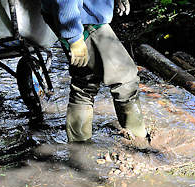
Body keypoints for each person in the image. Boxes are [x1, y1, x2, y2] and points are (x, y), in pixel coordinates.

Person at [40, 0, 150, 148]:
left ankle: (79, 149)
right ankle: (140, 144)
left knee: (85, 82)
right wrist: (74, 37)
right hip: (80, 19)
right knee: (126, 79)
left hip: (78, 16)